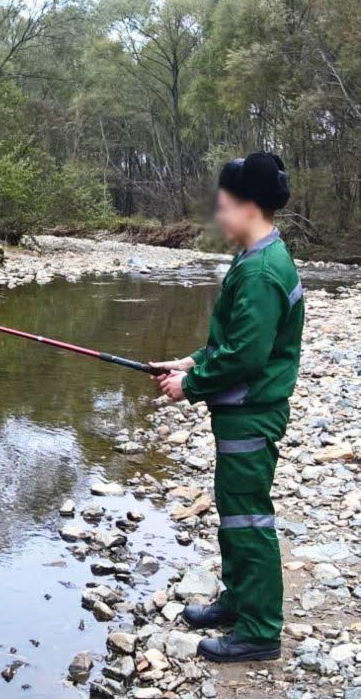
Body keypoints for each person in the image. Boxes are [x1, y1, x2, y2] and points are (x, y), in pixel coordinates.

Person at [151, 152, 303, 663]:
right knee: (235, 514)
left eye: (224, 207)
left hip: (251, 413)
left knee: (249, 519)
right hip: (243, 409)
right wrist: (188, 361)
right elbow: (231, 340)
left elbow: (246, 356)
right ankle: (239, 602)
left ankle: (260, 631)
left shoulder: (261, 270)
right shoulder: (254, 258)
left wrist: (189, 386)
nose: (218, 218)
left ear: (249, 206)